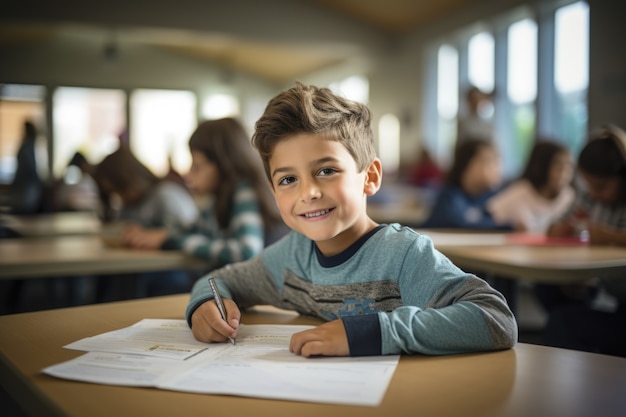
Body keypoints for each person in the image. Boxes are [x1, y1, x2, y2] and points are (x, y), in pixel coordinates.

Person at [185, 82, 517, 358]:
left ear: (369, 176)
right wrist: (204, 305)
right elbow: (219, 280)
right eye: (288, 180)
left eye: (326, 171)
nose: (309, 192)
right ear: (273, 192)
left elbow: (496, 319)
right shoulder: (290, 258)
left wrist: (371, 332)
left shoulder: (402, 255)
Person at [121, 117, 285, 270]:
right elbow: (195, 229)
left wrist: (171, 241)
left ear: (224, 165)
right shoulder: (218, 197)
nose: (189, 175)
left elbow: (246, 251)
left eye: (197, 166)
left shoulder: (244, 191)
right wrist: (152, 233)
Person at [540, 124, 626, 356]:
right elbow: (552, 229)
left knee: (562, 323)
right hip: (607, 290)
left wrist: (609, 236)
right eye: (590, 186)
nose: (596, 193)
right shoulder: (590, 199)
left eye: (602, 186)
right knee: (548, 288)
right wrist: (563, 228)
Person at [93, 147, 199, 298]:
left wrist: (153, 235)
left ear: (130, 179)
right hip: (145, 269)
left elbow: (192, 230)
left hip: (176, 270)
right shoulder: (132, 202)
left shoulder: (166, 194)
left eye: (119, 190)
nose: (119, 197)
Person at [420, 138, 511, 229]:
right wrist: (505, 224)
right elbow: (461, 225)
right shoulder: (450, 197)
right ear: (466, 165)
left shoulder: (494, 197)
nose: (496, 169)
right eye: (488, 161)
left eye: (497, 161)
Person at [487, 139, 575, 233]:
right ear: (541, 165)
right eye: (558, 165)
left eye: (569, 166)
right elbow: (490, 216)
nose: (564, 173)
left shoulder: (570, 197)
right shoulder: (519, 193)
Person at [3, 120, 44, 214]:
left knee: (25, 212)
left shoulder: (28, 146)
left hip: (27, 185)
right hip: (24, 184)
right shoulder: (27, 145)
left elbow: (30, 167)